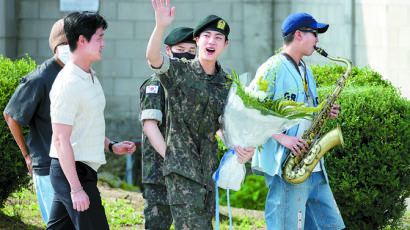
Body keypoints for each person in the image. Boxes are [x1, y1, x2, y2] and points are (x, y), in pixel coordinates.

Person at [146, 0, 254, 228]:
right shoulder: (180, 71)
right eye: (207, 36)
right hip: (182, 172)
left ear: (225, 44)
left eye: (218, 38)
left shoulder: (227, 84)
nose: (211, 41)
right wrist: (160, 27)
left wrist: (238, 148)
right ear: (197, 40)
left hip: (209, 173)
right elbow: (153, 59)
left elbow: (224, 127)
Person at [249, 12, 345, 229]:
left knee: (331, 226)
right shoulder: (271, 68)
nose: (318, 39)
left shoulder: (305, 69)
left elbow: (305, 109)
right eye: (315, 33)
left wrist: (323, 111)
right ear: (299, 35)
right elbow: (250, 109)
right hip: (287, 166)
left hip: (313, 166)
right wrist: (281, 137)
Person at [46, 11, 136, 229]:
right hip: (73, 173)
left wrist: (111, 146)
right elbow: (60, 140)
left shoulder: (89, 75)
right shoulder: (68, 83)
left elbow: (86, 125)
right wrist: (76, 189)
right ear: (82, 40)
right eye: (99, 37)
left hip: (80, 169)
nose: (103, 43)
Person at [3, 18, 69, 224]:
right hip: (48, 167)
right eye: (65, 44)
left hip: (72, 165)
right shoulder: (39, 79)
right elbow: (11, 115)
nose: (71, 48)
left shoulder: (74, 73)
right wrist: (26, 154)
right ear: (56, 46)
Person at [140, 26, 197, 229]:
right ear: (168, 50)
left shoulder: (194, 86)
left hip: (191, 173)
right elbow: (150, 126)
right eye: (181, 48)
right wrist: (172, 158)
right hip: (161, 172)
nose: (186, 54)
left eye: (192, 50)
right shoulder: (155, 84)